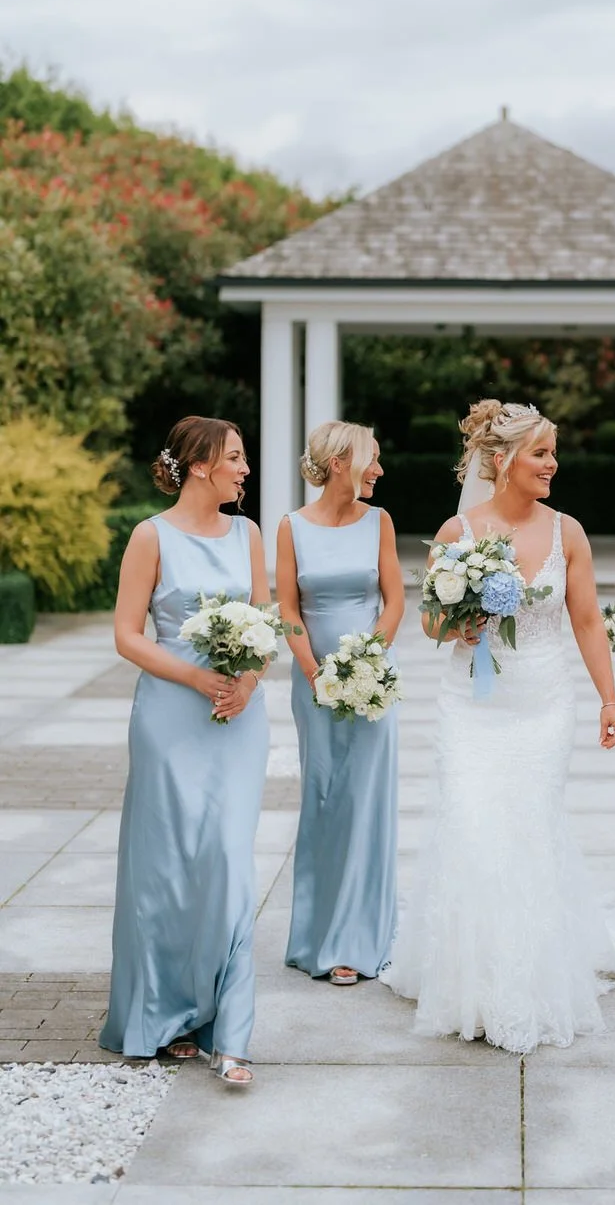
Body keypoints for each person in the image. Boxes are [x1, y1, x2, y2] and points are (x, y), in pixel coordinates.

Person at [379, 399, 615, 1052]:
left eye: (553, 452)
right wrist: (459, 621)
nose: (553, 464)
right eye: (541, 453)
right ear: (502, 461)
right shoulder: (457, 533)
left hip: (544, 701)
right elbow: (428, 625)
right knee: (474, 829)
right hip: (472, 703)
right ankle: (470, 983)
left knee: (528, 829)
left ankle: (528, 981)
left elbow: (586, 621)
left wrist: (610, 700)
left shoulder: (568, 533)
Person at [100, 417, 270, 1086]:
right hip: (170, 715)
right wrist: (194, 675)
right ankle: (165, 1015)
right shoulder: (151, 536)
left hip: (237, 720)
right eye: (235, 458)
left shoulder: (248, 534)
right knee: (166, 867)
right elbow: (126, 633)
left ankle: (230, 1033)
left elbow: (266, 620)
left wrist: (247, 683)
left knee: (228, 860)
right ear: (200, 464)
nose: (244, 470)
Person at [277, 422, 404, 984]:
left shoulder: (380, 522)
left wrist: (367, 663)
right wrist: (316, 675)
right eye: (370, 460)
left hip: (373, 683)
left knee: (366, 801)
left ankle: (359, 938)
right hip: (313, 686)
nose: (378, 470)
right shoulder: (290, 528)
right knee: (324, 799)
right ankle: (315, 934)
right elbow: (288, 609)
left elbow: (396, 599)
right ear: (338, 464)